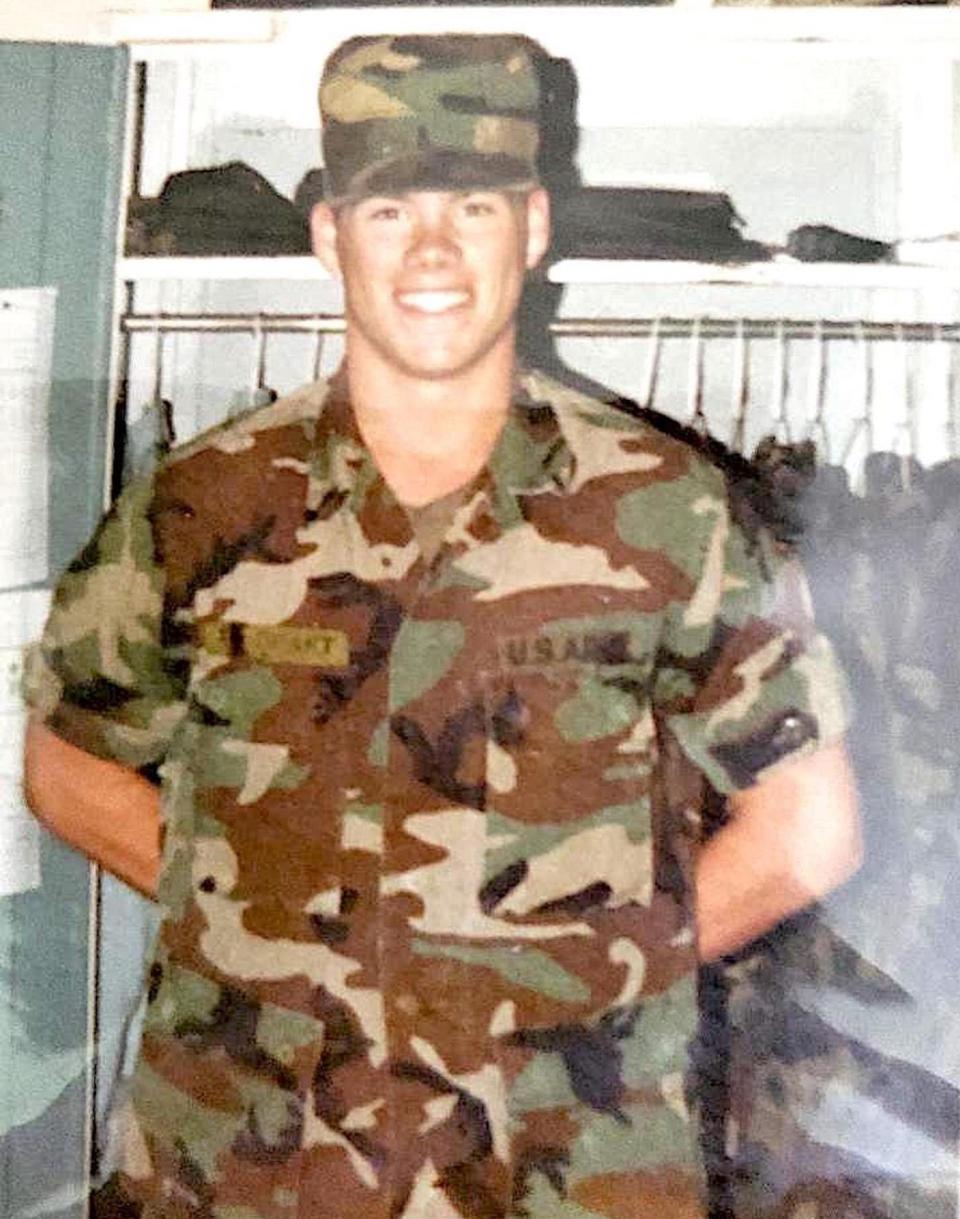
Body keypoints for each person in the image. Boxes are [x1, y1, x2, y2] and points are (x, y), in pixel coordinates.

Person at [23, 33, 860, 1219]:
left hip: (565, 1163)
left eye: (471, 206)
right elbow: (67, 766)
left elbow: (807, 830)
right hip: (248, 1160)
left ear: (533, 229)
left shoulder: (671, 513)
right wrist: (268, 921)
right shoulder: (202, 505)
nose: (430, 251)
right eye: (385, 211)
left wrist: (586, 979)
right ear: (327, 239)